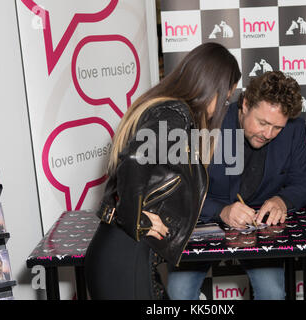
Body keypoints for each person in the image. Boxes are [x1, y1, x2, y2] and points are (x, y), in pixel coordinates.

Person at [84, 42, 241, 299]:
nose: (225, 104)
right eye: (225, 96)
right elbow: (134, 161)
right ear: (210, 86)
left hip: (127, 253)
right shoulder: (174, 113)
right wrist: (138, 219)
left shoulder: (168, 110)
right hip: (125, 256)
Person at [167, 71, 306, 300]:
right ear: (245, 104)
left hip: (259, 227)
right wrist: (221, 211)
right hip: (207, 219)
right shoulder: (210, 122)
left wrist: (282, 200)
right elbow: (180, 190)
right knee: (179, 291)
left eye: (277, 127)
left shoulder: (294, 128)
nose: (268, 134)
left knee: (273, 293)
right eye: (263, 122)